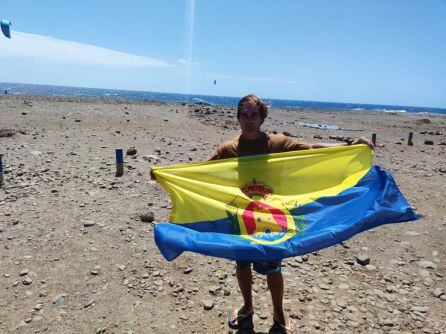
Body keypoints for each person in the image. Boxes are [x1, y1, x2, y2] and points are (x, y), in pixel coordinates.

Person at [151, 94, 374, 334]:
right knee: (242, 263)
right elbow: (200, 171)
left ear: (262, 117)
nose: (248, 120)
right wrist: (166, 174)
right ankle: (247, 307)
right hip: (240, 217)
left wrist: (351, 146)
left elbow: (313, 149)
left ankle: (279, 315)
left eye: (253, 115)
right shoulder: (229, 149)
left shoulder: (277, 144)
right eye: (244, 115)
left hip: (271, 217)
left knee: (273, 267)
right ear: (237, 117)